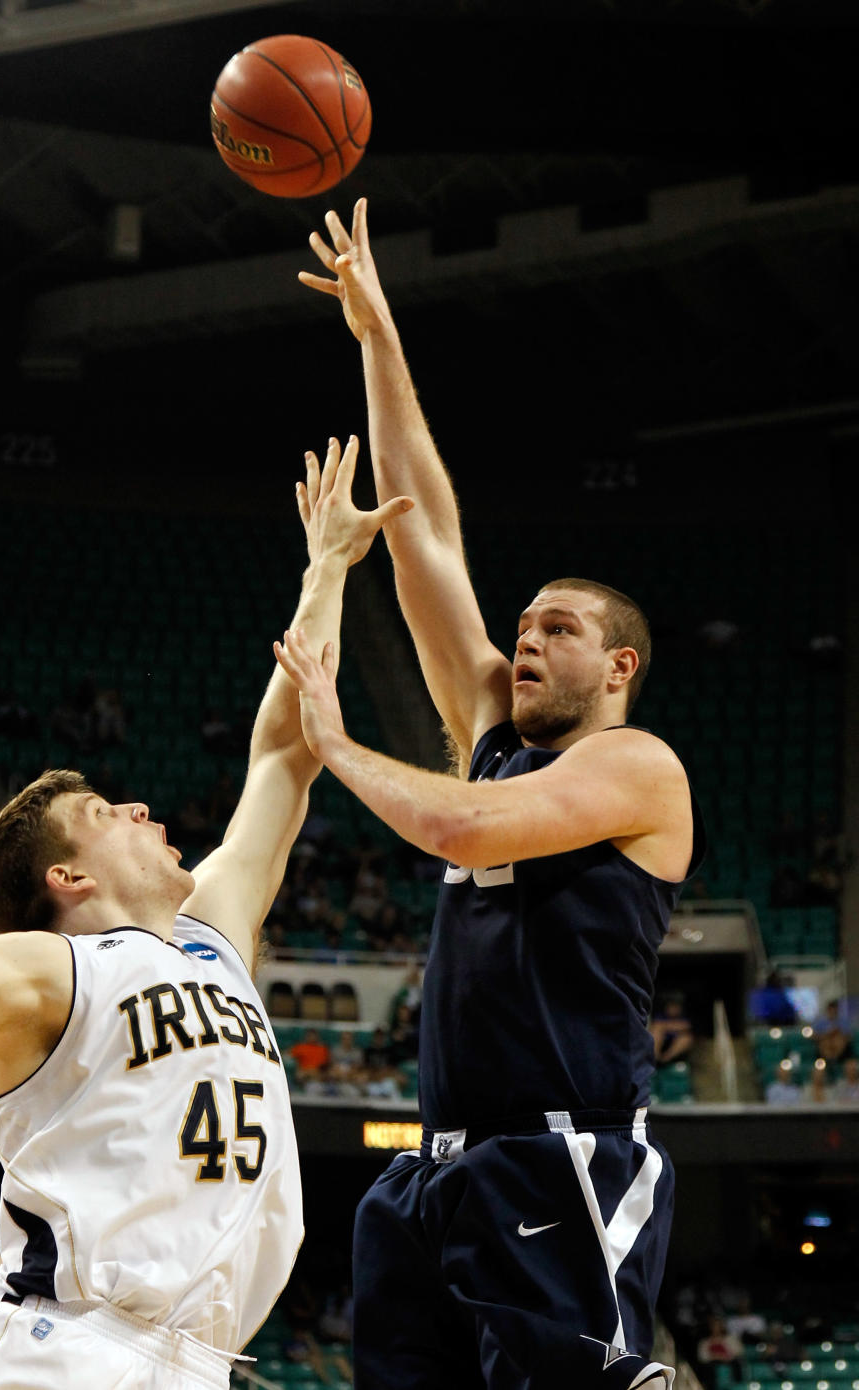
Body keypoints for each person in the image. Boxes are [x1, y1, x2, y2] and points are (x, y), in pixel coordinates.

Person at [288, 198, 705, 1390]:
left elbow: (460, 828)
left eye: (557, 628)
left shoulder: (638, 768)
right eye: (520, 625)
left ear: (619, 664)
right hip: (430, 1168)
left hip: (559, 1159)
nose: (524, 639)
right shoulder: (493, 738)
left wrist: (336, 739)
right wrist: (377, 337)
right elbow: (426, 537)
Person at [0, 438, 410, 1390]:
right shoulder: (50, 972)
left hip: (197, 1362)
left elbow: (283, 757)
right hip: (62, 1351)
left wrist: (328, 567)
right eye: (104, 813)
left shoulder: (210, 939)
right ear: (68, 880)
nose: (138, 808)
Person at [648, 995, 695, 1067]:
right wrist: (672, 1026)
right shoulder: (661, 1016)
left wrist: (666, 1026)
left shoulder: (683, 1017)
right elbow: (657, 1025)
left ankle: (664, 1060)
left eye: (676, 1006)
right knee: (656, 1031)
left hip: (674, 1047)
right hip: (661, 1044)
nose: (673, 1009)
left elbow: (686, 1026)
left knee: (686, 1038)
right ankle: (655, 1058)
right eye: (671, 1006)